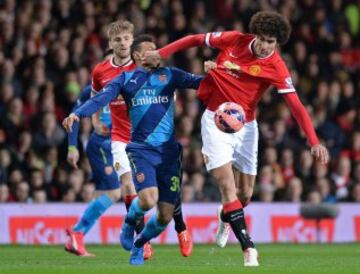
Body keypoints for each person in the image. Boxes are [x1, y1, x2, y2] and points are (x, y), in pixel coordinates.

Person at [143, 11, 330, 266]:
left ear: (278, 44)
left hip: (246, 127)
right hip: (215, 120)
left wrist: (314, 140)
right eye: (262, 39)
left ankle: (225, 215)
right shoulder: (234, 40)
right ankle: (248, 250)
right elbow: (195, 39)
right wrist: (161, 52)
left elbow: (296, 106)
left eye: (271, 42)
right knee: (227, 187)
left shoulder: (276, 66)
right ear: (255, 34)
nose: (265, 46)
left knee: (244, 195)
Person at [63, 35, 203, 265]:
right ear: (138, 56)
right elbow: (100, 99)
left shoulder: (170, 74)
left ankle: (151, 238)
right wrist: (78, 114)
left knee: (165, 214)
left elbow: (202, 82)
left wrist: (221, 70)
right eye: (152, 49)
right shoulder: (125, 80)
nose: (158, 52)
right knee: (146, 199)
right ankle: (131, 226)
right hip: (138, 148)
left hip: (168, 151)